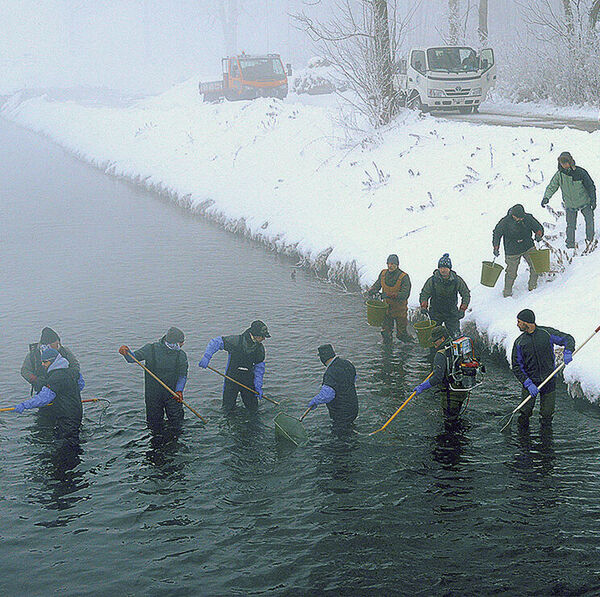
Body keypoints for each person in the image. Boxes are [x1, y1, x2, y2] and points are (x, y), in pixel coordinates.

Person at [511, 309, 575, 428]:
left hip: (549, 380)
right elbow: (516, 366)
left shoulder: (547, 333)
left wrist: (568, 350)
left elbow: (568, 339)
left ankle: (546, 442)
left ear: (527, 322)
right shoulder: (519, 342)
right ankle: (523, 441)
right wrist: (527, 383)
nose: (517, 324)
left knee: (547, 415)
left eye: (519, 321)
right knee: (525, 413)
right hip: (530, 382)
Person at [119, 327, 188, 431]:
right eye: (181, 342)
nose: (182, 345)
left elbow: (182, 375)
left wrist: (179, 390)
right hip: (153, 395)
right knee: (154, 425)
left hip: (173, 394)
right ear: (173, 342)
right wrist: (126, 352)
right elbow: (132, 358)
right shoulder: (150, 349)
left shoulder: (181, 355)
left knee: (177, 424)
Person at [13, 347, 85, 448]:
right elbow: (80, 385)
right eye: (42, 361)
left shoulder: (55, 377)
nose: (42, 364)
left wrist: (24, 405)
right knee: (73, 439)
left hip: (66, 417)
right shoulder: (72, 371)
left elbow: (43, 398)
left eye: (45, 362)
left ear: (53, 361)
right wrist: (65, 396)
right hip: (77, 412)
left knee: (66, 447)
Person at [199, 320, 269, 413]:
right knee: (227, 409)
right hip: (232, 377)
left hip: (248, 379)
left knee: (253, 409)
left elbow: (259, 368)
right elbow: (216, 342)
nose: (264, 339)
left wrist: (258, 385)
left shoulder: (259, 349)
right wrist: (207, 356)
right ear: (255, 335)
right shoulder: (236, 341)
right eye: (263, 336)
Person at [412, 326, 480, 420]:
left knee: (450, 424)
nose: (433, 343)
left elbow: (437, 378)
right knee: (456, 417)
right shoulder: (455, 347)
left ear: (442, 338)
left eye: (435, 340)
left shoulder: (441, 354)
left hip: (450, 395)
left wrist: (422, 387)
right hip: (461, 391)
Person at [542, 151, 596, 249]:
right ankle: (570, 245)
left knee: (589, 220)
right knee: (570, 225)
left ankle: (590, 240)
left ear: (570, 162)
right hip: (570, 204)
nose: (564, 165)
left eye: (565, 163)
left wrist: (593, 201)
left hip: (584, 202)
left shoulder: (580, 172)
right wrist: (546, 197)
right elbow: (552, 186)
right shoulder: (559, 174)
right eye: (562, 163)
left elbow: (590, 186)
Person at [492, 204, 544, 297]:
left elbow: (538, 227)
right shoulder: (504, 222)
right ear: (513, 215)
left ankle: (533, 287)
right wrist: (496, 247)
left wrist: (538, 234)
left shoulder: (528, 218)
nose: (520, 219)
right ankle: (507, 293)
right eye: (518, 218)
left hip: (528, 246)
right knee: (511, 273)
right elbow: (497, 234)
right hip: (512, 251)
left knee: (536, 265)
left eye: (521, 217)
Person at [306, 344, 358, 430]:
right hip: (353, 408)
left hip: (341, 413)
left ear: (322, 358)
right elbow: (354, 379)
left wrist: (315, 401)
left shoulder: (330, 372)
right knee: (350, 428)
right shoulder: (347, 363)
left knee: (340, 437)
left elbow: (328, 395)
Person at [419, 253, 471, 339]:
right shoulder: (432, 280)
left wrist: (462, 309)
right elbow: (424, 294)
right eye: (441, 267)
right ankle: (435, 352)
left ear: (449, 268)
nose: (443, 270)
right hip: (435, 312)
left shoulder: (456, 280)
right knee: (434, 337)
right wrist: (424, 306)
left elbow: (466, 294)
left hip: (451, 313)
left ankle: (454, 352)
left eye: (445, 267)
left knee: (456, 336)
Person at [367, 254, 412, 344]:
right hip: (386, 310)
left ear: (397, 264)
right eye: (389, 264)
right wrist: (372, 290)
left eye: (393, 264)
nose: (390, 266)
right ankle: (387, 354)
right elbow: (377, 285)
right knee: (386, 334)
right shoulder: (383, 274)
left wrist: (388, 295)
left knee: (401, 335)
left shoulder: (404, 277)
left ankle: (411, 345)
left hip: (400, 311)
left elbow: (404, 295)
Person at [21, 327, 79, 395]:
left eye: (58, 343)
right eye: (56, 344)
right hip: (43, 390)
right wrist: (36, 380)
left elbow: (75, 366)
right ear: (48, 345)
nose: (59, 345)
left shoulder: (64, 351)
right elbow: (24, 371)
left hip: (66, 389)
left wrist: (68, 376)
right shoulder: (34, 355)